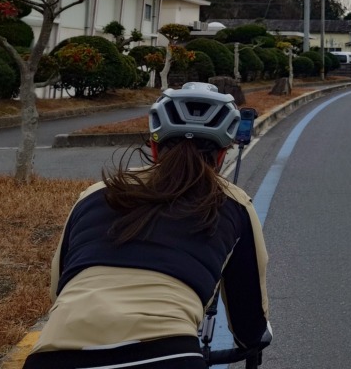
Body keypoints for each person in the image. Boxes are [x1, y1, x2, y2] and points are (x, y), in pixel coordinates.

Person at [25, 83, 272, 369]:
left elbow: (59, 288)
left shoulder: (95, 195)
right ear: (221, 155)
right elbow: (248, 324)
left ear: (154, 147)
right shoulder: (233, 204)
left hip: (53, 356)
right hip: (167, 355)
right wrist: (256, 338)